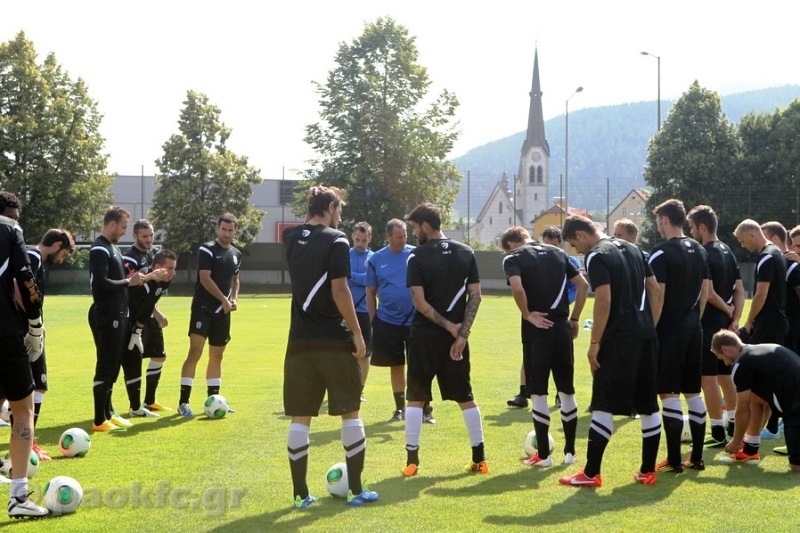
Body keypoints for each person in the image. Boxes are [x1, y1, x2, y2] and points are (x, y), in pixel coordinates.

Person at [283, 186, 377, 508]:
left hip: (299, 342)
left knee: (301, 417)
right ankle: (356, 490)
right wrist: (358, 333)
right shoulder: (338, 239)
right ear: (331, 205)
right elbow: (340, 291)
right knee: (350, 411)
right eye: (340, 209)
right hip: (334, 340)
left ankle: (300, 495)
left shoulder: (291, 237)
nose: (342, 215)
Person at [559, 215, 661, 487]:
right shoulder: (635, 248)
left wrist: (595, 344)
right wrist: (649, 325)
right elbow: (655, 290)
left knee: (603, 402)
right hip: (646, 336)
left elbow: (603, 300)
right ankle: (647, 470)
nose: (576, 251)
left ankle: (591, 474)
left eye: (573, 244)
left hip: (618, 340)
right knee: (649, 403)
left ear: (581, 234)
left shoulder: (596, 256)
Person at [401, 202, 487, 476]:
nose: (414, 233)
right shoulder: (466, 252)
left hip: (424, 337)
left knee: (415, 399)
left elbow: (419, 302)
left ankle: (412, 463)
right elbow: (476, 296)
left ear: (425, 226)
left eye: (415, 227)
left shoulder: (416, 257)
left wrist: (451, 327)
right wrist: (461, 334)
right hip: (457, 342)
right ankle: (480, 459)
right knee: (466, 397)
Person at [500, 226, 588, 467]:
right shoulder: (558, 253)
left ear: (511, 244)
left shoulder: (513, 257)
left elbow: (517, 288)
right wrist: (575, 318)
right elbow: (583, 285)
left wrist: (528, 314)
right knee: (567, 391)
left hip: (536, 331)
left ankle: (544, 457)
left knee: (538, 392)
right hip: (561, 328)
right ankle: (570, 453)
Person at [648, 199, 710, 473]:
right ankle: (696, 456)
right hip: (693, 327)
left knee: (668, 392)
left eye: (658, 221)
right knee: (693, 392)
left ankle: (674, 459)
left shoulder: (660, 253)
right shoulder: (699, 250)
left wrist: (652, 327)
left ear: (664, 220)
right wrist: (695, 319)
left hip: (669, 329)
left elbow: (658, 294)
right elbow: (705, 291)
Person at [0, 192, 49, 517]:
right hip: (4, 331)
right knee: (23, 407)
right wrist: (35, 325)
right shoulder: (9, 230)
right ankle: (19, 498)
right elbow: (26, 280)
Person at [89, 206, 154, 432]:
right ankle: (99, 420)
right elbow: (100, 284)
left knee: (114, 366)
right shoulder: (99, 249)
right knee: (105, 366)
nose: (125, 232)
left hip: (120, 314)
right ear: (112, 223)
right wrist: (129, 282)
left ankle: (108, 413)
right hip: (107, 315)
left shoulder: (113, 249)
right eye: (124, 227)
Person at [687, 205, 744, 447]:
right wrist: (734, 319)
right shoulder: (728, 251)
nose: (691, 232)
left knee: (707, 378)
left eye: (692, 227)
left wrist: (727, 310)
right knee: (725, 376)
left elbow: (708, 293)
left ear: (702, 227)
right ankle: (733, 424)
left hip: (709, 322)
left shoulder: (704, 253)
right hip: (725, 324)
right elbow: (740, 289)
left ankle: (718, 431)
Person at [507, 225, 581, 409]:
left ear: (559, 243)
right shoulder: (532, 258)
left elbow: (575, 288)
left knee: (549, 378)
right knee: (532, 362)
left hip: (548, 318)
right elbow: (584, 285)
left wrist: (558, 305)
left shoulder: (564, 258)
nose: (548, 247)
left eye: (553, 244)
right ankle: (524, 392)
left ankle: (555, 396)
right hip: (550, 320)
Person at [178, 213, 241, 417]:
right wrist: (223, 300)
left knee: (217, 355)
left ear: (235, 231)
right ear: (217, 228)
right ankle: (183, 402)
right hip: (203, 309)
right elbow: (205, 279)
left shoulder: (236, 254)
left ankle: (214, 400)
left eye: (230, 230)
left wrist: (235, 299)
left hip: (222, 313)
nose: (227, 233)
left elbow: (235, 279)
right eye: (224, 229)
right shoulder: (207, 249)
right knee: (195, 352)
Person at [712, 329, 800, 471]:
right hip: (794, 404)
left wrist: (735, 441)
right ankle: (750, 450)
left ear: (725, 349)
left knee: (797, 467)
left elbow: (742, 409)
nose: (726, 363)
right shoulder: (758, 351)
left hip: (795, 411)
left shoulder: (741, 365)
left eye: (721, 357)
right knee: (755, 397)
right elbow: (760, 403)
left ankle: (748, 449)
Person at [22, 228, 75, 460]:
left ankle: (30, 443)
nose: (61, 260)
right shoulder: (32, 257)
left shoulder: (38, 261)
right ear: (56, 246)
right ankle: (25, 445)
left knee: (39, 385)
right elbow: (20, 291)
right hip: (23, 333)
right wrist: (31, 326)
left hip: (34, 330)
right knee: (20, 391)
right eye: (63, 255)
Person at [122, 222, 178, 418]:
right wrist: (155, 311)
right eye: (144, 236)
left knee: (159, 354)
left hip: (148, 314)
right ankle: (134, 405)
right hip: (135, 314)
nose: (148, 240)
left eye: (151, 235)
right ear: (135, 235)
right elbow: (136, 294)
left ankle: (150, 400)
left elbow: (152, 294)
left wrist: (156, 312)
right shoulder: (129, 257)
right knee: (133, 357)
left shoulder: (153, 254)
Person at [734, 219, 788, 345]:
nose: (743, 245)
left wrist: (748, 322)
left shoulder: (767, 257)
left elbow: (760, 296)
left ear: (752, 235)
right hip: (777, 321)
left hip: (768, 324)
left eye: (742, 241)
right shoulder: (777, 252)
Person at [348, 222, 373, 400]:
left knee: (364, 353)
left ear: (369, 239)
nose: (360, 243)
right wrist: (360, 279)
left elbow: (370, 280)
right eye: (357, 239)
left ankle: (359, 390)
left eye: (364, 240)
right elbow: (342, 278)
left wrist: (353, 277)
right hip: (344, 310)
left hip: (365, 311)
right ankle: (343, 387)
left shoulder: (374, 258)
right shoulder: (343, 254)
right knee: (343, 352)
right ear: (352, 237)